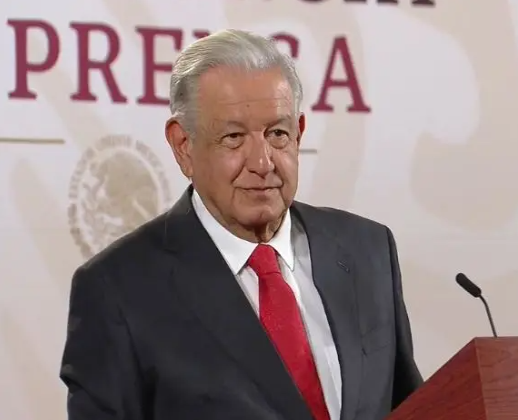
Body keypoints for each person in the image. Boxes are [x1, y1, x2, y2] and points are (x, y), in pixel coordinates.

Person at [59, 29, 423, 420]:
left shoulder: (368, 250)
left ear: (299, 133)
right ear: (183, 146)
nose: (262, 163)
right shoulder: (118, 291)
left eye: (277, 134)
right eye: (233, 137)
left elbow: (413, 407)